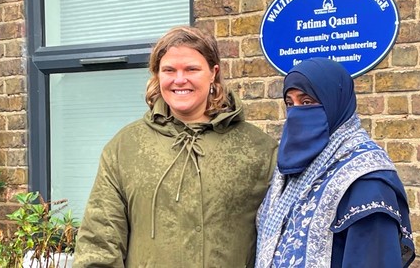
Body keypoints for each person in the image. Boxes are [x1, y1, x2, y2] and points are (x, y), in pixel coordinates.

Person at [74, 26, 278, 267]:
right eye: (169, 70)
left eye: (192, 69)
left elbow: (279, 241)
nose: (180, 79)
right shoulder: (126, 147)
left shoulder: (258, 148)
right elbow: (100, 243)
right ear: (157, 75)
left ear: (213, 72)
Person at [255, 57, 415, 268]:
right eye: (289, 103)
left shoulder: (367, 181)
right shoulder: (290, 171)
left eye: (306, 102)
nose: (296, 113)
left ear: (334, 103)